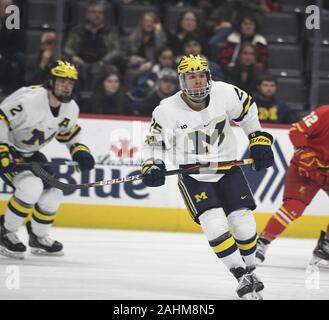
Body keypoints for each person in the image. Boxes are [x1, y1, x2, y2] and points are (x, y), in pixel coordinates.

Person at [140, 54, 274, 299]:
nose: (198, 82)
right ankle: (241, 275)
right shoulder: (166, 110)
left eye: (202, 76)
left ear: (209, 78)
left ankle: (251, 269)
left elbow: (247, 110)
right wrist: (152, 164)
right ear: (182, 81)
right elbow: (153, 144)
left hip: (228, 168)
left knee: (243, 222)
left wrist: (258, 138)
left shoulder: (225, 92)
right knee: (213, 223)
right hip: (194, 175)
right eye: (192, 78)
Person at [0, 60, 95, 259]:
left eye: (70, 83)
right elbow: (1, 118)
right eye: (62, 82)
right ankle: (6, 231)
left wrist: (80, 151)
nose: (66, 87)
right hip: (8, 151)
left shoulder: (71, 109)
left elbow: (69, 133)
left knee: (54, 192)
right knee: (32, 187)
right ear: (51, 82)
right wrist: (2, 149)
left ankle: (38, 236)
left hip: (31, 154)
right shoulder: (29, 100)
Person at [255, 106, 329, 264]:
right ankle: (261, 243)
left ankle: (326, 247)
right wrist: (302, 152)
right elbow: (296, 131)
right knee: (293, 207)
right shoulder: (324, 113)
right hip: (307, 169)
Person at [63, 0, 122, 90]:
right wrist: (74, 57)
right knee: (70, 70)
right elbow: (67, 48)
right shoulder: (77, 30)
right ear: (87, 14)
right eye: (94, 12)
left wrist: (104, 61)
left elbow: (117, 50)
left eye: (100, 13)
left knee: (108, 71)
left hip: (103, 63)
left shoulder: (110, 31)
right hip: (80, 63)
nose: (97, 15)